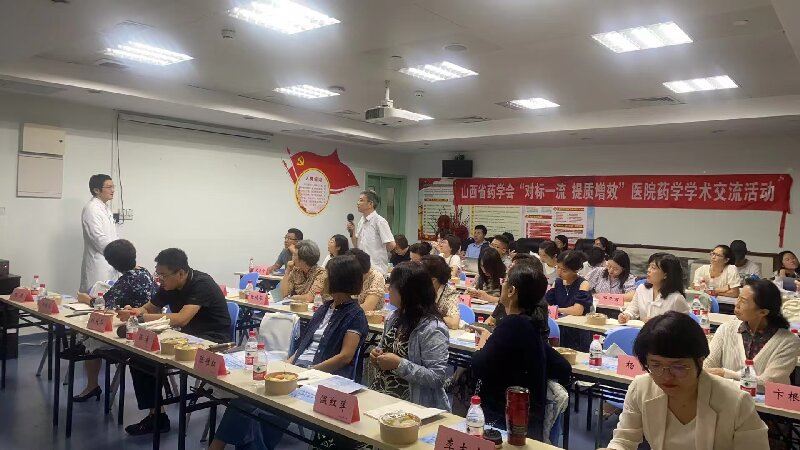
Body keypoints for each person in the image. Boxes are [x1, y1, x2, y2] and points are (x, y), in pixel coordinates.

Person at [209, 255, 368, 450]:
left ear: (338, 280)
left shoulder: (355, 314)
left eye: (328, 275)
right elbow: (304, 343)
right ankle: (219, 446)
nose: (324, 279)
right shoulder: (324, 307)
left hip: (323, 375)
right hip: (300, 369)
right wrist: (290, 363)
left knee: (269, 407)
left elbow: (345, 357)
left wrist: (310, 370)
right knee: (247, 398)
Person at [599, 312, 769, 450]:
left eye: (678, 367)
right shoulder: (642, 388)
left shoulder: (736, 402)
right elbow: (624, 439)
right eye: (656, 365)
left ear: (700, 361)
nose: (666, 376)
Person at [122, 248, 231, 435]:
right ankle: (157, 416)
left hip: (213, 340)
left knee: (150, 355)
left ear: (181, 273)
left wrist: (139, 318)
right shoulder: (169, 285)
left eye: (163, 275)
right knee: (140, 358)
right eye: (158, 274)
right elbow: (149, 308)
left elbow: (181, 319)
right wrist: (133, 312)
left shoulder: (202, 283)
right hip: (186, 338)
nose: (160, 280)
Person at [471, 263, 569, 440]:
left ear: (511, 291)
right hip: (527, 418)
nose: (502, 283)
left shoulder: (512, 325)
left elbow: (478, 365)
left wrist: (484, 341)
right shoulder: (529, 324)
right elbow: (563, 367)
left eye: (505, 281)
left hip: (506, 421)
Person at [73, 239, 156, 402]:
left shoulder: (128, 279)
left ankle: (92, 386)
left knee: (91, 339)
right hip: (145, 324)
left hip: (133, 329)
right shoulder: (144, 272)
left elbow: (104, 303)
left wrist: (85, 299)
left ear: (113, 264)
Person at [369, 262, 450, 410]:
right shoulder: (393, 317)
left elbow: (437, 378)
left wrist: (399, 364)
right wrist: (376, 356)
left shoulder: (433, 328)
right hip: (382, 395)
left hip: (412, 405)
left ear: (406, 292)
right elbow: (384, 350)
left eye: (392, 285)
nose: (388, 289)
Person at [704, 279, 800, 387]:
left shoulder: (788, 341)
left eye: (743, 301)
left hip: (763, 399)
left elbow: (769, 383)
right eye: (738, 298)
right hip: (727, 396)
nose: (736, 304)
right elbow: (707, 366)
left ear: (763, 312)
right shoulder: (726, 329)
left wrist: (725, 374)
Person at [620, 253, 688, 324]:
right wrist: (626, 315)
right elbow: (632, 309)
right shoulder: (642, 289)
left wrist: (656, 323)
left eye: (653, 268)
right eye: (649, 266)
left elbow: (684, 325)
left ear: (666, 275)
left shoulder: (676, 299)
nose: (648, 270)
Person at [80, 174, 119, 293]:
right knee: (96, 298)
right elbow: (98, 239)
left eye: (113, 186)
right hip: (98, 264)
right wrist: (119, 255)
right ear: (96, 190)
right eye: (109, 187)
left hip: (110, 262)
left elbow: (112, 236)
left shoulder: (105, 208)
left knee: (110, 297)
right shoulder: (91, 209)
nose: (112, 190)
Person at [347, 190, 396, 275]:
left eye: (361, 200)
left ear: (370, 204)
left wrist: (379, 251)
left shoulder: (379, 221)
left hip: (376, 269)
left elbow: (392, 245)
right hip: (362, 268)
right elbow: (357, 245)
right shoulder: (361, 221)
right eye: (358, 200)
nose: (358, 203)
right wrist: (352, 232)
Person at [545, 250, 592, 316]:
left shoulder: (583, 284)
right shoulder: (557, 282)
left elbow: (577, 311)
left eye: (564, 270)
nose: (559, 272)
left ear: (575, 270)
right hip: (560, 320)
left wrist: (556, 309)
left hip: (576, 321)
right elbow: (546, 303)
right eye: (558, 267)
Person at [420, 255, 461, 329]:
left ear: (433, 280)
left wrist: (427, 317)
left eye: (420, 276)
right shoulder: (418, 289)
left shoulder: (450, 293)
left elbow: (454, 323)